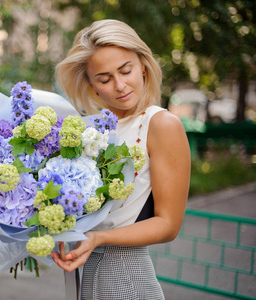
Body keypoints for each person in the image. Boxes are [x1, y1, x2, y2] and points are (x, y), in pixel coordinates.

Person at [50, 19, 191, 299]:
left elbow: (168, 224)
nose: (120, 85)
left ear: (143, 65)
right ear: (91, 85)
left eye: (126, 71)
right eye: (104, 78)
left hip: (126, 277)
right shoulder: (88, 130)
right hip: (85, 273)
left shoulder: (162, 124)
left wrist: (99, 237)